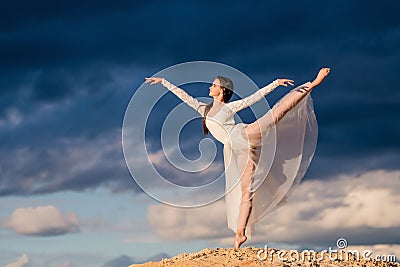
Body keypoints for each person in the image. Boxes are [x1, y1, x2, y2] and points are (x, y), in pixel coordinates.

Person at [145, 68, 330, 249]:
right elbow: (184, 96)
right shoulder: (204, 109)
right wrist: (164, 82)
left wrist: (275, 84)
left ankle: (314, 83)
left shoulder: (229, 107)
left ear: (222, 90)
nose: (210, 87)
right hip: (236, 149)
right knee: (246, 191)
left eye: (214, 85)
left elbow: (254, 98)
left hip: (244, 135)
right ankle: (240, 234)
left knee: (275, 115)